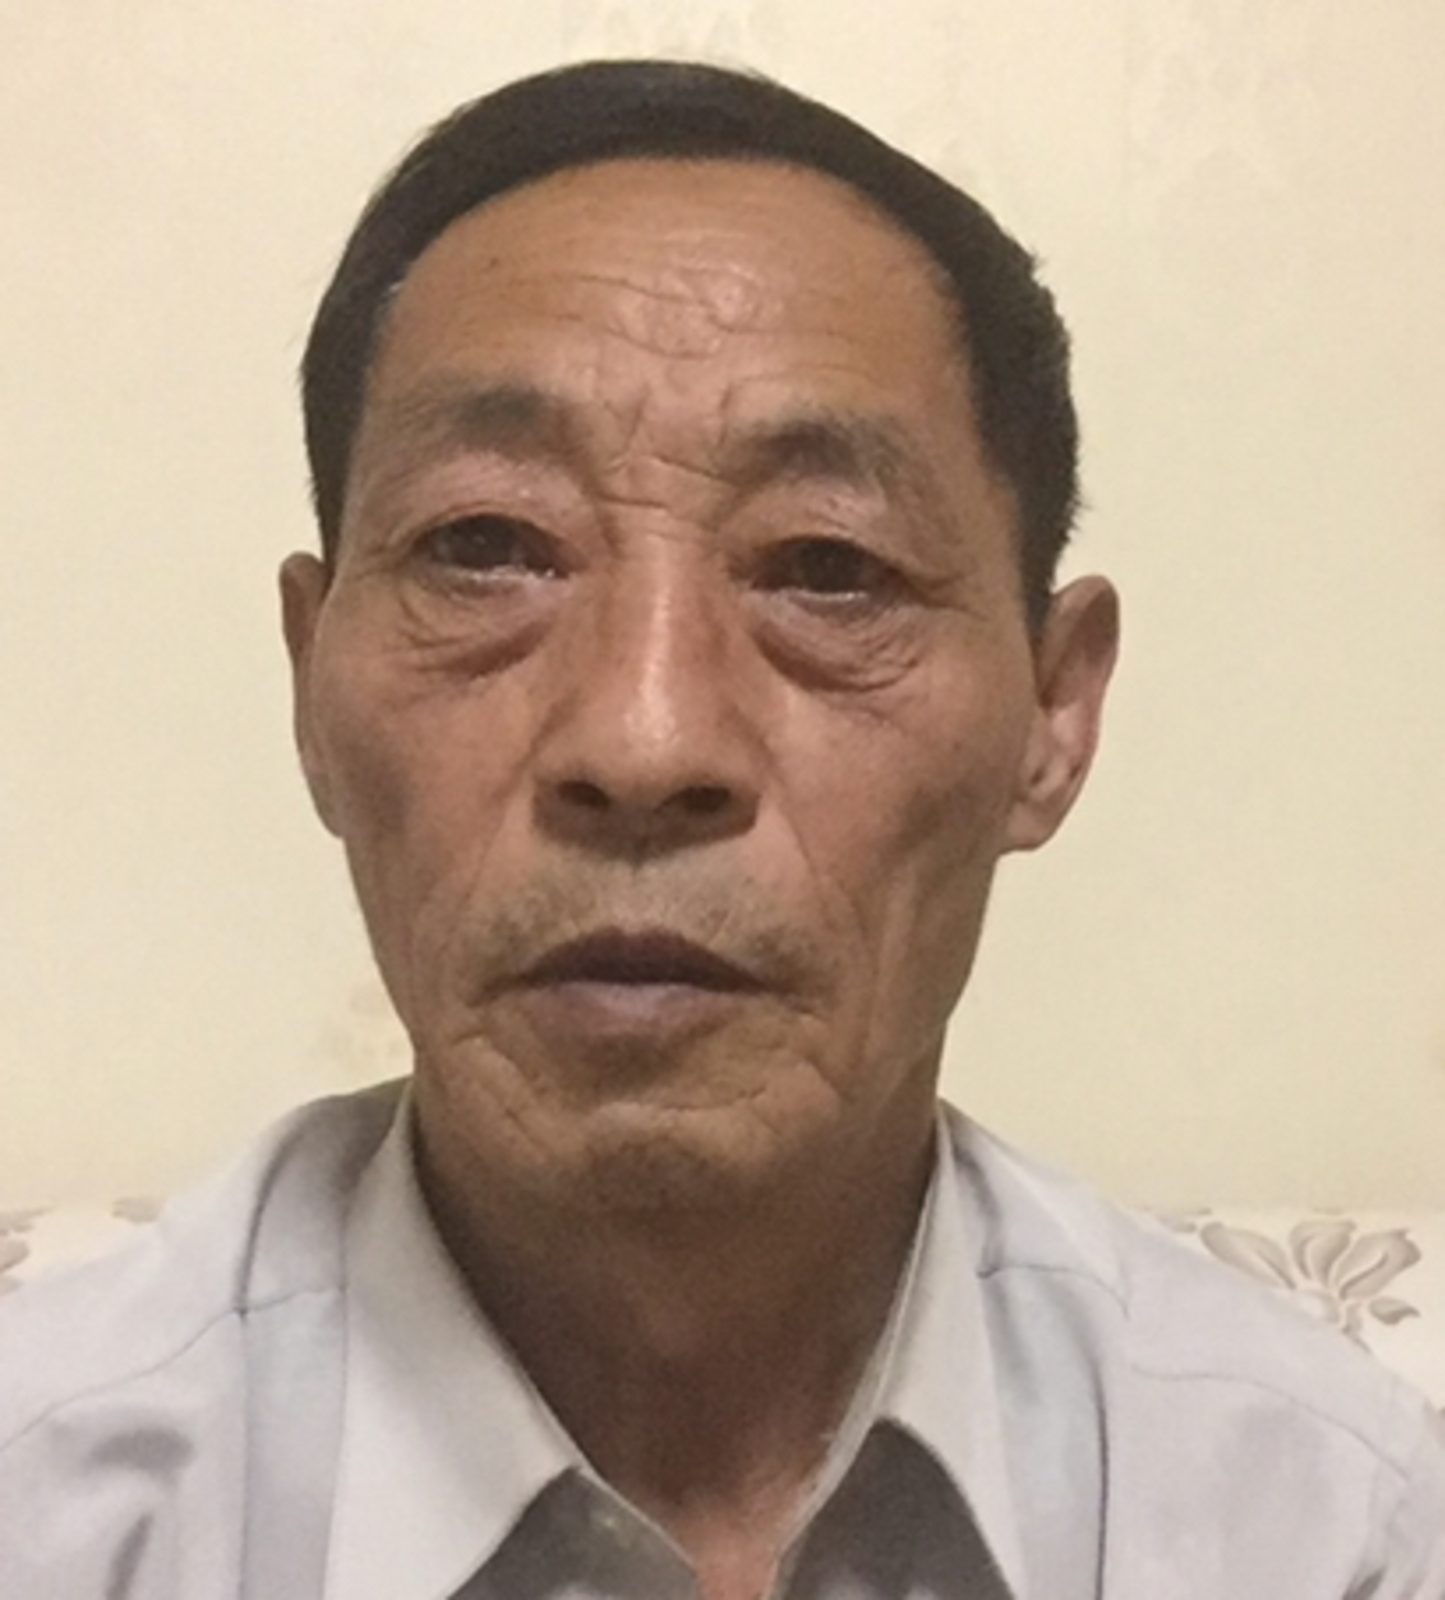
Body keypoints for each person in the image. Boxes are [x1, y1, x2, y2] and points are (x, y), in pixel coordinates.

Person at [1, 58, 1441, 1600]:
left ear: (1053, 712)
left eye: (828, 568)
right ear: (310, 686)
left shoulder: (1327, 1528)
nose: (645, 740)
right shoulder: (50, 1505)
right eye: (485, 545)